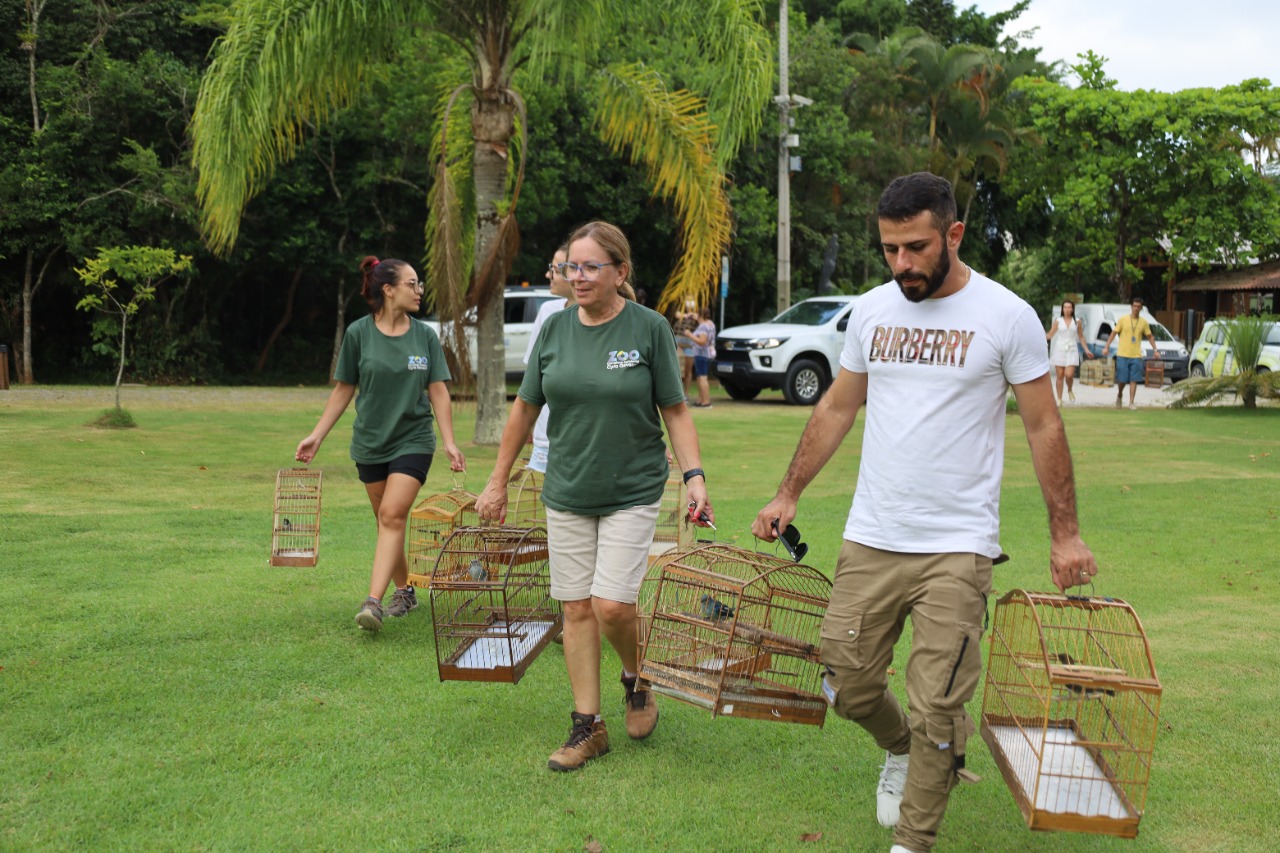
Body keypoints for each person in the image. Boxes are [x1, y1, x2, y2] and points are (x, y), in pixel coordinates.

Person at [751, 173, 1098, 853]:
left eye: (915, 247)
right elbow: (837, 407)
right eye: (890, 249)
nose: (902, 263)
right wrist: (788, 491)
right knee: (847, 683)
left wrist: (1067, 535)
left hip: (958, 545)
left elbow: (1044, 428)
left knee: (939, 703)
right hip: (872, 535)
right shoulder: (874, 311)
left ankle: (913, 840)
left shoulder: (1005, 315)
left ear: (954, 234)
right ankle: (903, 748)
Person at [475, 221, 714, 772]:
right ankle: (588, 726)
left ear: (619, 272)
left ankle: (636, 675)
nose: (576, 277)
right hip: (568, 487)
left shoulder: (649, 329)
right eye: (569, 268)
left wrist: (694, 474)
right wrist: (497, 480)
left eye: (588, 267)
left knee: (612, 605)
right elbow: (525, 407)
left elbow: (675, 410)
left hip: (632, 486)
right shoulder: (555, 330)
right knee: (577, 608)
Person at [296, 256, 466, 632]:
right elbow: (344, 389)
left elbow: (438, 391)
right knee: (387, 521)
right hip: (371, 443)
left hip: (414, 439)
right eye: (412, 283)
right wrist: (317, 435)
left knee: (392, 515)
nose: (419, 290)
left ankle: (372, 603)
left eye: (419, 283)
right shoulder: (359, 333)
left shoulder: (424, 335)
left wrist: (450, 442)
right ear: (387, 289)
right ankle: (405, 589)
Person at [524, 244, 576, 474]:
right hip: (547, 435)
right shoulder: (547, 312)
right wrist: (528, 423)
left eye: (553, 269)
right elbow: (532, 378)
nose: (548, 275)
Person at [1104, 297, 1159, 409]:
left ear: (1141, 308)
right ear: (1131, 307)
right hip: (1123, 354)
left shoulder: (1143, 322)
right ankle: (1119, 395)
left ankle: (1131, 402)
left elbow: (1150, 336)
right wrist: (1107, 346)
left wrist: (1155, 350)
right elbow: (1114, 333)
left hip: (1136, 355)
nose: (1136, 308)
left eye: (1138, 307)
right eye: (1134, 306)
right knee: (1122, 379)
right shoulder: (1123, 319)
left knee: (1134, 379)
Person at [1045, 299, 1094, 405]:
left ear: (1072, 309)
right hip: (1060, 348)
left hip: (1071, 348)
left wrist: (1086, 350)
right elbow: (1050, 335)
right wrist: (1039, 337)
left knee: (1069, 374)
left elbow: (1081, 337)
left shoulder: (1077, 321)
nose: (1067, 309)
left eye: (1069, 307)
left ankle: (1070, 389)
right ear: (1062, 309)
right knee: (1060, 375)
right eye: (1065, 307)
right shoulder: (1058, 321)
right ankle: (1059, 398)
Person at [689, 305, 717, 408]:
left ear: (700, 314)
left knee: (703, 377)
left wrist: (690, 335)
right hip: (709, 353)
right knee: (700, 377)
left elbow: (702, 341)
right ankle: (701, 400)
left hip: (701, 353)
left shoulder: (703, 326)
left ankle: (706, 402)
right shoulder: (710, 324)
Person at [672, 305, 699, 401]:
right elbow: (677, 315)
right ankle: (676, 393)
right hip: (678, 343)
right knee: (677, 369)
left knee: (688, 371)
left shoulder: (698, 314)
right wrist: (688, 315)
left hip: (690, 345)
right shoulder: (681, 311)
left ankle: (686, 394)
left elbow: (698, 318)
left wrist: (692, 315)